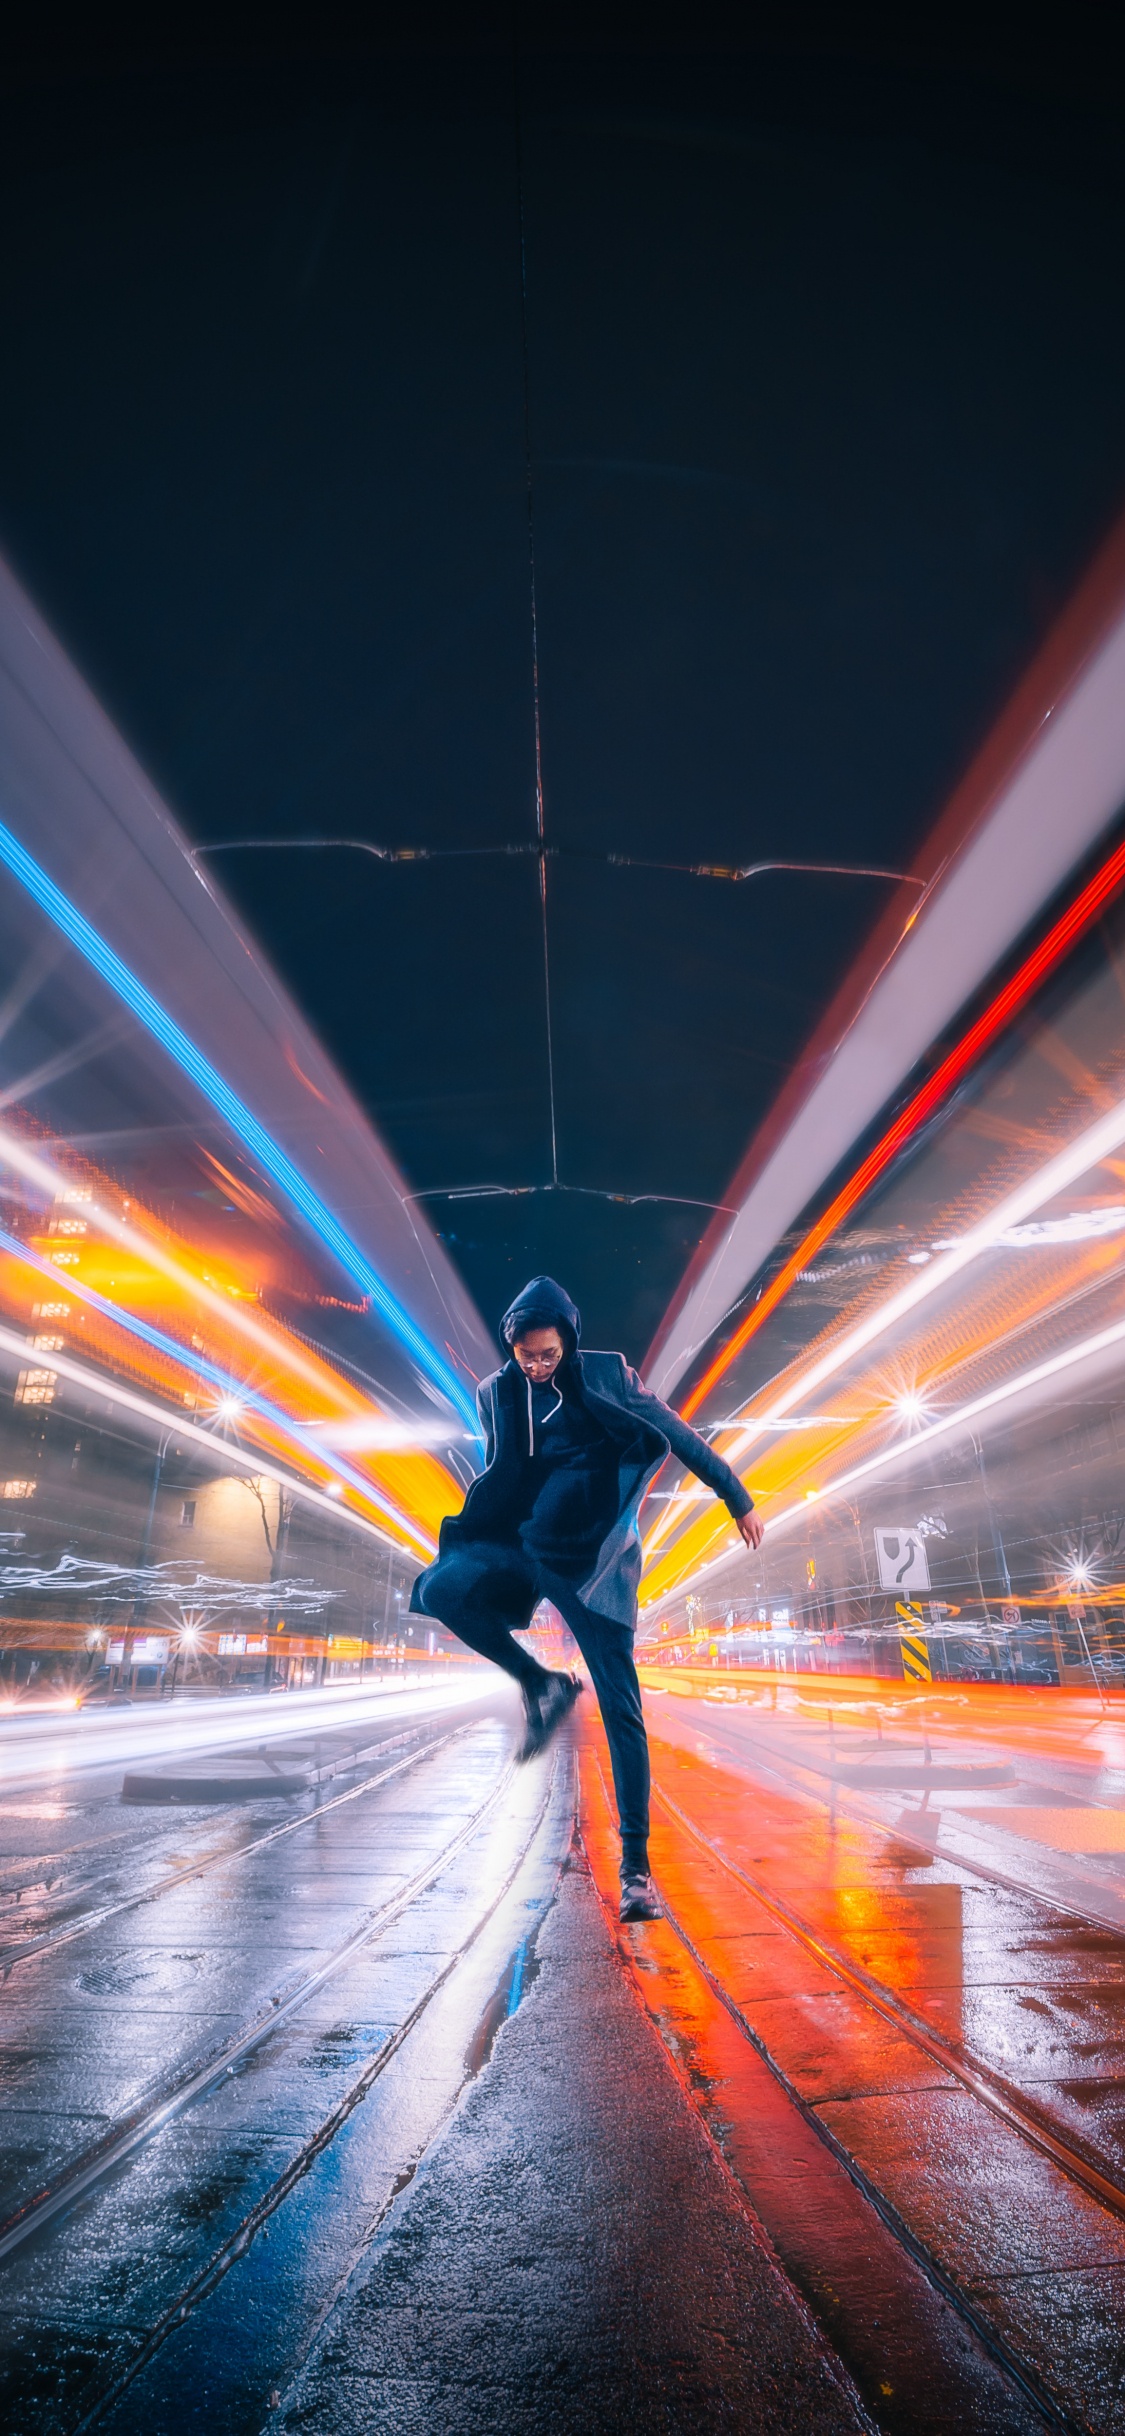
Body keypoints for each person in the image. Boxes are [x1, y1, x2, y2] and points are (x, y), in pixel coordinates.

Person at [411, 1277, 763, 1921]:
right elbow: (503, 1471)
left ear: (567, 1342)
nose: (538, 1366)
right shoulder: (497, 1393)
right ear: (511, 1347)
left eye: (548, 1354)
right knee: (441, 1588)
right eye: (527, 1356)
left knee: (621, 1703)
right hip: (527, 1545)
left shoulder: (606, 1375)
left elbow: (675, 1432)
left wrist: (735, 1497)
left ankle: (636, 1870)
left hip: (593, 1555)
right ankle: (541, 1682)